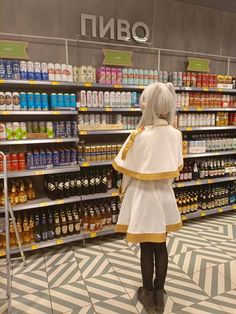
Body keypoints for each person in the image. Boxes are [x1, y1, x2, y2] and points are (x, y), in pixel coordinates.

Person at [112, 82, 183, 314]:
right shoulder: (175, 134)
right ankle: (160, 294)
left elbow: (122, 166)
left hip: (143, 198)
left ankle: (148, 294)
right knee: (161, 245)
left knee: (146, 247)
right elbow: (176, 167)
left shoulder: (139, 135)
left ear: (148, 104)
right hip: (164, 196)